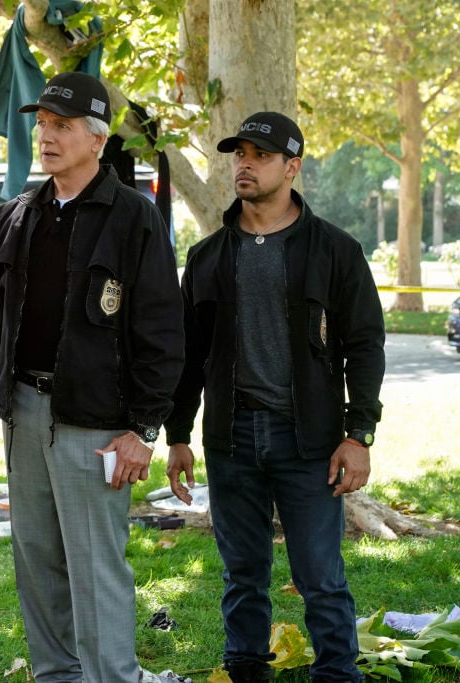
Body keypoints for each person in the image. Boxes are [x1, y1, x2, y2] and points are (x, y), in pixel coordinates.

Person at [0, 72, 185, 683]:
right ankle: (55, 676)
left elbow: (161, 333)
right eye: (42, 124)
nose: (46, 136)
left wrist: (143, 429)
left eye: (63, 126)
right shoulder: (12, 218)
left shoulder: (134, 218)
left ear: (98, 139)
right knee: (38, 563)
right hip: (22, 414)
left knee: (96, 569)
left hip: (97, 423)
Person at [164, 112, 385, 683]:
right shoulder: (209, 255)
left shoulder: (336, 250)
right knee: (242, 573)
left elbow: (364, 346)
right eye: (238, 153)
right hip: (231, 438)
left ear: (292, 167)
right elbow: (190, 355)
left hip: (307, 439)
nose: (245, 163)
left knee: (321, 575)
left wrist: (357, 435)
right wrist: (180, 435)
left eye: (259, 155)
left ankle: (337, 674)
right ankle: (245, 671)